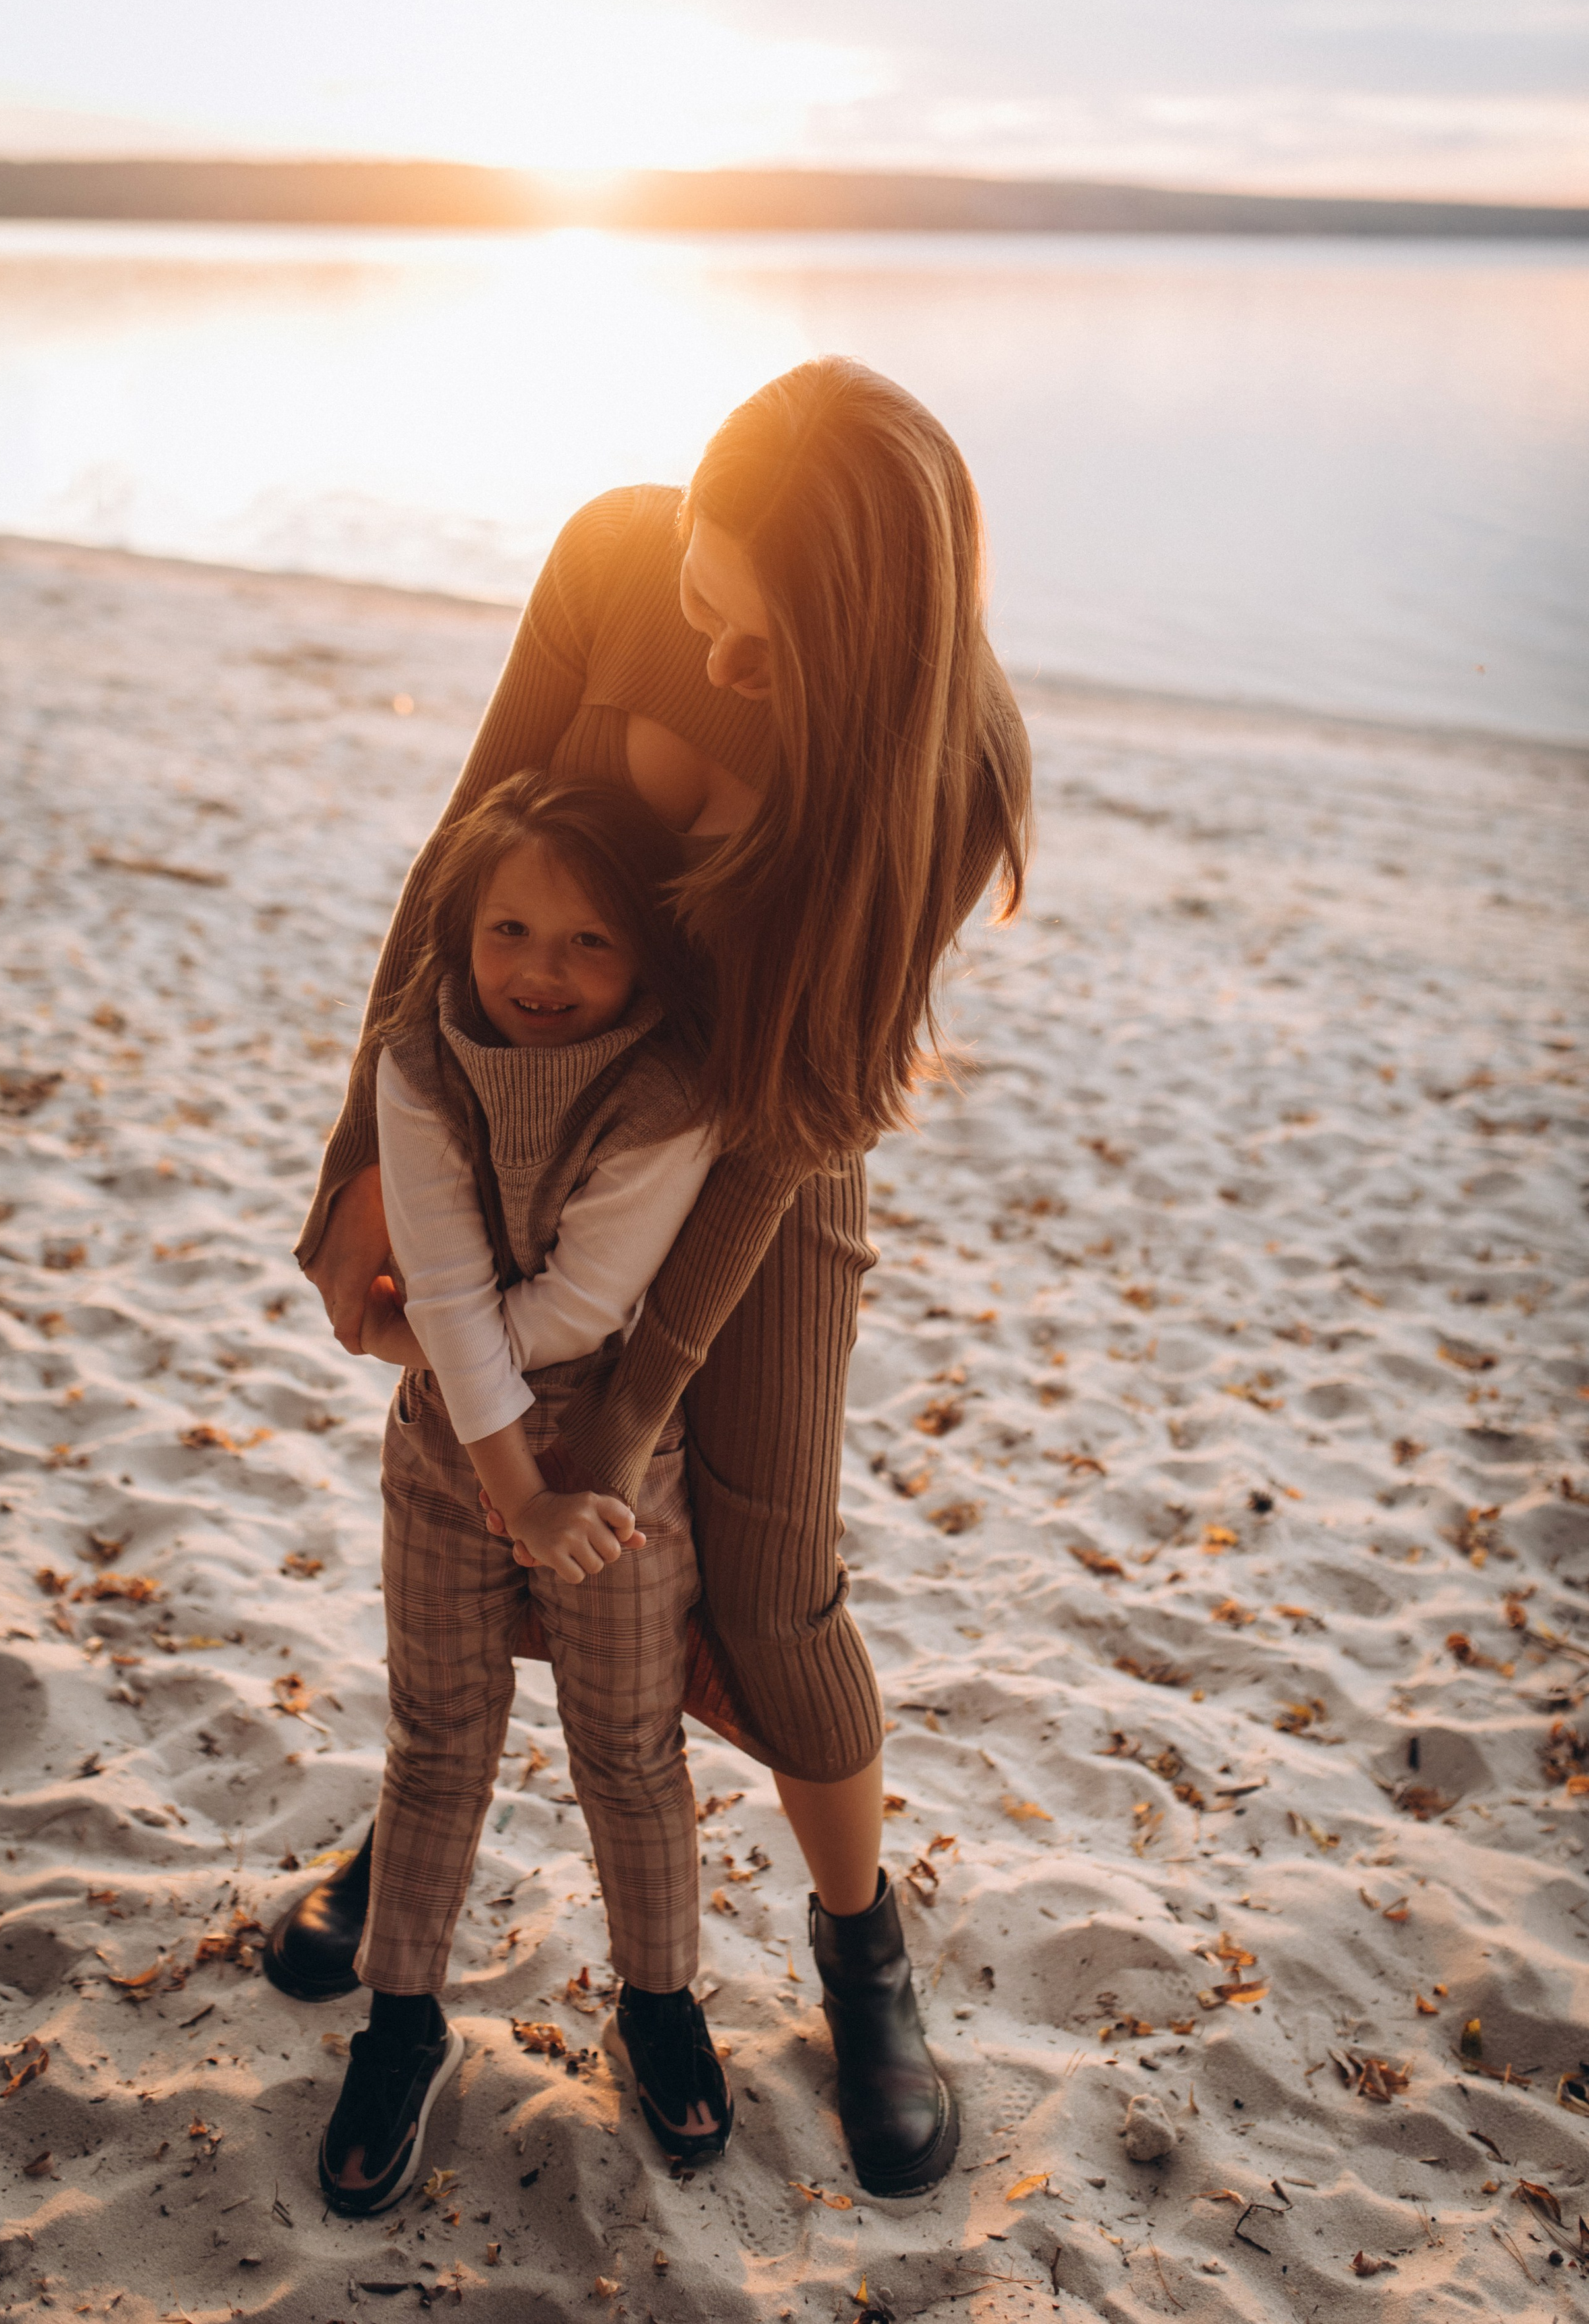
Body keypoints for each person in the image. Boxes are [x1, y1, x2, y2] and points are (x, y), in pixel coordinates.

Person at [275, 356, 1032, 2201]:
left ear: (848, 632)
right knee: (471, 1487)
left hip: (753, 1169)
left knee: (766, 1585)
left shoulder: (951, 768)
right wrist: (352, 1169)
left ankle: (865, 1959)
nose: (694, 615)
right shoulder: (615, 555)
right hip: (514, 1114)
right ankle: (417, 1840)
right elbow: (455, 869)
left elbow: (796, 1117)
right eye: (694, 571)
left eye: (741, 616)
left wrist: (629, 1404)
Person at [319, 768, 730, 2216]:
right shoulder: (422, 1059)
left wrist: (543, 1487)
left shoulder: (675, 1089)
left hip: (613, 1449)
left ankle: (659, 2001)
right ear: (461, 927)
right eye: (508, 930)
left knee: (624, 1749)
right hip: (446, 1437)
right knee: (438, 1738)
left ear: (645, 956)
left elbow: (576, 1305)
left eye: (586, 942)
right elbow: (437, 1269)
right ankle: (400, 2020)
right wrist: (504, 1487)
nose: (537, 974)